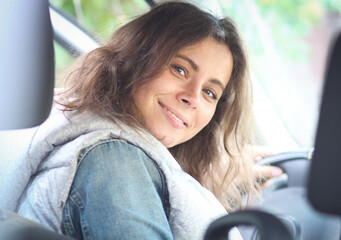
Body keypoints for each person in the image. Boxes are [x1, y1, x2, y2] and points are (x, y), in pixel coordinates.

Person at [8, 1, 279, 239]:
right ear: (133, 61)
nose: (193, 97)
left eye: (210, 92)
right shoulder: (114, 159)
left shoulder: (99, 149)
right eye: (180, 69)